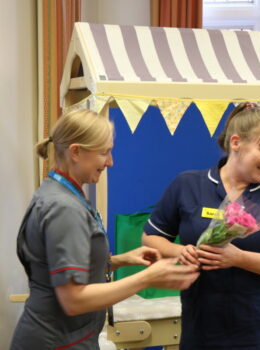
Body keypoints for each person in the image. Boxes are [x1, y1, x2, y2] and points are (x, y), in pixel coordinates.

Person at [10, 109, 199, 350]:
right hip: (57, 341)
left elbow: (59, 265)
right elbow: (74, 300)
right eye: (104, 152)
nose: (111, 162)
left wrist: (121, 260)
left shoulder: (61, 194)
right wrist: (148, 278)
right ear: (76, 152)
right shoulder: (63, 208)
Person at [142, 102, 260, 349]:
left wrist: (239, 258)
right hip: (202, 324)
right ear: (236, 143)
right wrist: (182, 251)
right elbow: (151, 238)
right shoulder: (188, 184)